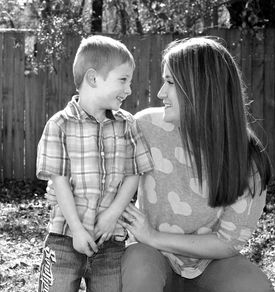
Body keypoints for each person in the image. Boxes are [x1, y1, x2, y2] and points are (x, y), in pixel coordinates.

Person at [118, 37, 274, 292]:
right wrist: (66, 186)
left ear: (200, 90)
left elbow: (228, 242)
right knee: (139, 268)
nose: (160, 93)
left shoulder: (248, 158)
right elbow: (105, 168)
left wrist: (154, 235)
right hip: (151, 257)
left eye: (169, 82)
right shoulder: (145, 127)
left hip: (210, 263)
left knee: (254, 286)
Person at [36, 35, 153, 292]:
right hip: (64, 236)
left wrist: (112, 216)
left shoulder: (127, 124)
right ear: (93, 78)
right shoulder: (59, 125)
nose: (129, 90)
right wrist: (77, 231)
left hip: (110, 240)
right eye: (123, 80)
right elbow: (60, 182)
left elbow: (134, 174)